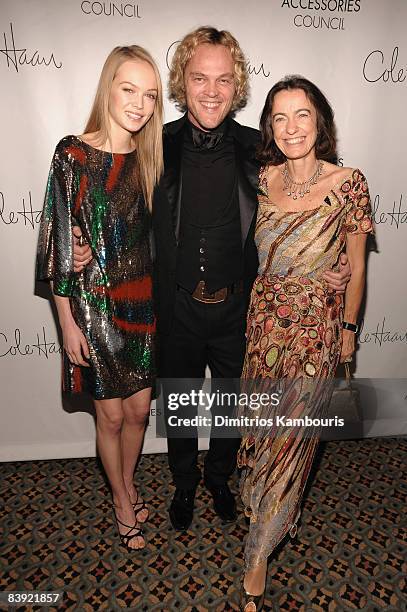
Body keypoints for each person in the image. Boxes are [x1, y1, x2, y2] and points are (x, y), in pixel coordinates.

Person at [72, 27, 350, 534]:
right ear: (182, 81)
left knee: (227, 402)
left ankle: (219, 478)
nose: (212, 91)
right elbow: (105, 194)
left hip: (239, 309)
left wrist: (333, 257)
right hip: (174, 305)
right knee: (178, 400)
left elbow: (309, 200)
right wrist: (78, 240)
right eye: (200, 78)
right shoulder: (153, 145)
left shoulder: (259, 150)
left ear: (237, 84)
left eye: (224, 80)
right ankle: (182, 482)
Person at [237, 76, 374, 611]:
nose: (291, 127)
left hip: (316, 332)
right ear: (269, 126)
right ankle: (270, 514)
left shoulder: (349, 183)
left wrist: (347, 335)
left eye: (302, 115)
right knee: (266, 434)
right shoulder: (263, 178)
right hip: (264, 327)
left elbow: (357, 268)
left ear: (320, 121)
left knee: (294, 443)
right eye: (279, 117)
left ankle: (257, 555)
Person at [36, 45, 163, 550]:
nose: (139, 103)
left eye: (150, 95)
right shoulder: (73, 154)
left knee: (137, 413)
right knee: (110, 415)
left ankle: (128, 482)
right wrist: (67, 323)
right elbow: (57, 244)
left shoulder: (152, 158)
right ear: (108, 87)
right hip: (94, 308)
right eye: (128, 89)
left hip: (144, 305)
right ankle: (120, 499)